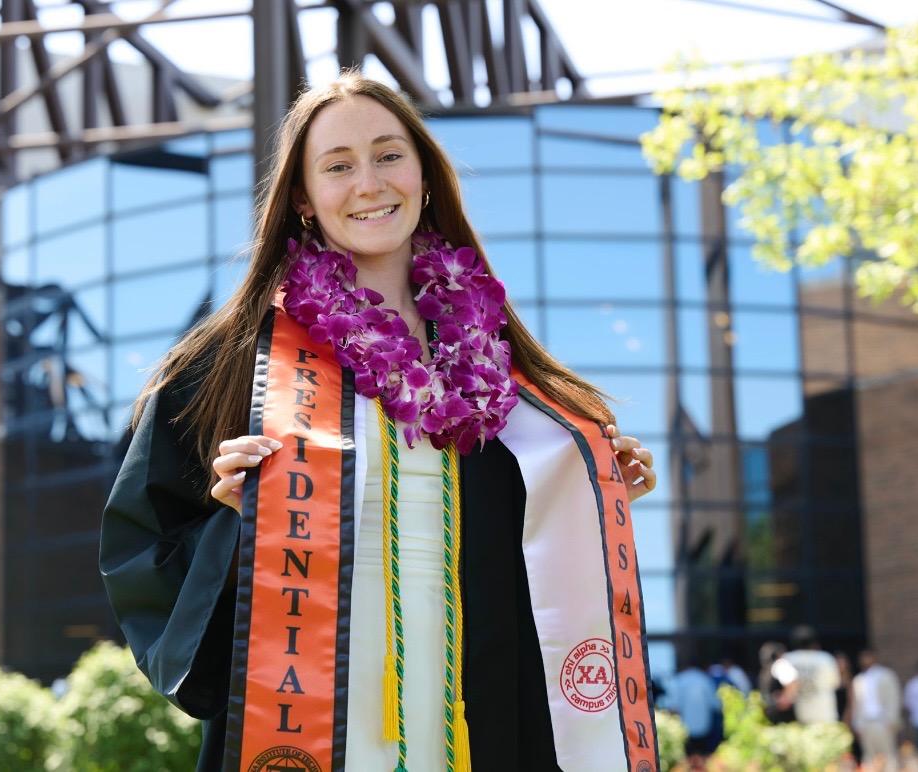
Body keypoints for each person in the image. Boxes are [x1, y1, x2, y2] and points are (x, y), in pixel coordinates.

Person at [99, 71, 660, 772]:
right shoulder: (240, 362)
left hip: (476, 696)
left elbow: (528, 551)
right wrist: (237, 527)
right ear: (303, 198)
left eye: (390, 155)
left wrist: (590, 490)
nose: (369, 183)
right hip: (321, 699)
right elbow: (141, 552)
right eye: (338, 166)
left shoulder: (490, 356)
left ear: (424, 177)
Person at [770, 625, 842, 724]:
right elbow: (835, 684)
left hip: (799, 719)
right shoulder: (826, 658)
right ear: (814, 643)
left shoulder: (786, 659)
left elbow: (786, 683)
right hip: (825, 717)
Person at [851, 648, 902, 771]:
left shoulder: (887, 675)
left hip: (883, 722)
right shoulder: (859, 679)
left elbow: (894, 698)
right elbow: (856, 704)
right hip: (866, 724)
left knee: (888, 756)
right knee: (869, 757)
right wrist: (857, 725)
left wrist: (892, 721)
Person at [666, 656, 722, 760]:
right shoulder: (705, 679)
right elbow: (716, 705)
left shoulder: (679, 679)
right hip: (704, 728)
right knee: (702, 761)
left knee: (686, 762)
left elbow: (672, 707)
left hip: (683, 729)